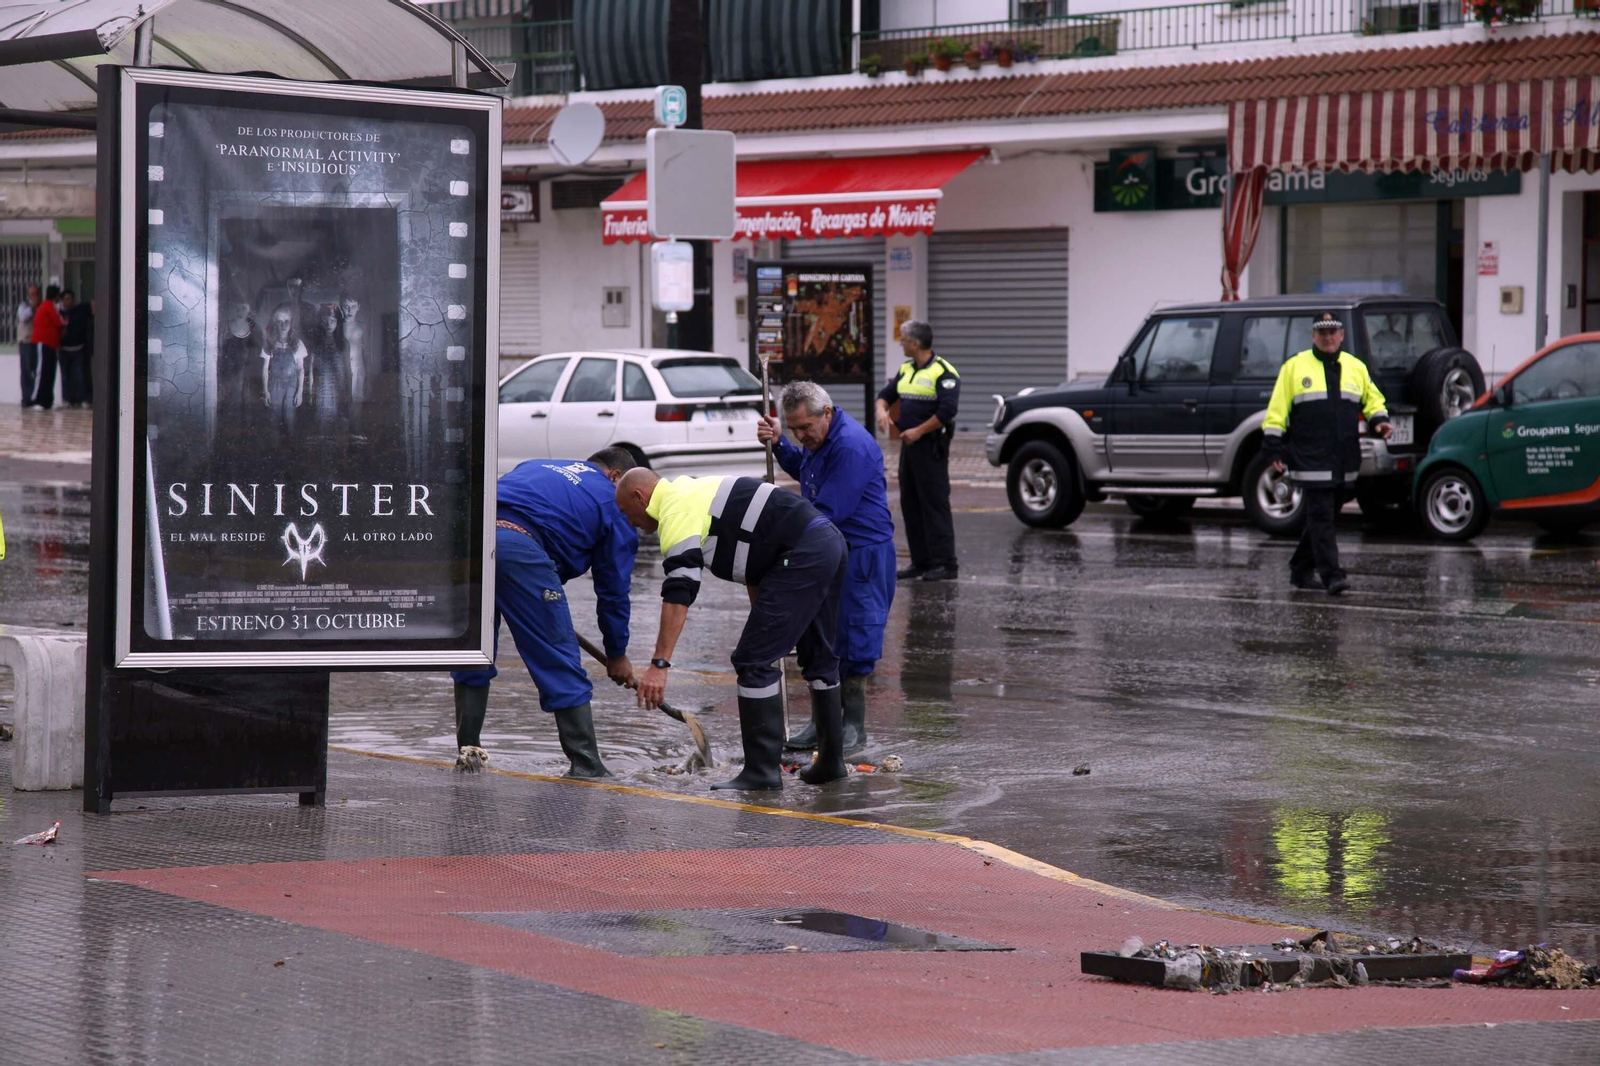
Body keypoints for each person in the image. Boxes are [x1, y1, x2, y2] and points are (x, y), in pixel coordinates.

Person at [615, 467, 848, 791]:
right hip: (827, 542)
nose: (631, 523)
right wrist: (769, 624)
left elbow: (680, 590)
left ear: (640, 497)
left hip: (804, 552)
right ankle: (831, 764)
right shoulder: (693, 490)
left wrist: (659, 665)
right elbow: (758, 561)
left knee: (753, 661)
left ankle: (761, 772)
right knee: (819, 657)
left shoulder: (674, 508)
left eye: (627, 512)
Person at [449, 447, 639, 777]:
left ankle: (469, 755)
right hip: (518, 546)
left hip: (467, 541)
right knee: (558, 658)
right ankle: (587, 764)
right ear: (617, 477)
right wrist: (617, 653)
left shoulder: (537, 464)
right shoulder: (615, 499)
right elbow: (613, 590)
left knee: (474, 653)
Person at [757, 381, 894, 756]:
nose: (802, 436)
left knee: (854, 636)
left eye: (805, 428)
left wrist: (780, 538)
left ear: (827, 414)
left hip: (860, 552)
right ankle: (823, 721)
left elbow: (831, 509)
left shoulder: (850, 445)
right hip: (828, 546)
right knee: (822, 634)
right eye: (794, 428)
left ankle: (853, 727)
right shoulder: (818, 441)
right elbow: (806, 471)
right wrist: (781, 443)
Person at [1262, 310, 1392, 596]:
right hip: (1310, 457)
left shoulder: (1355, 367)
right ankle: (1332, 575)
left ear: (1342, 335)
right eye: (1322, 332)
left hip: (1344, 457)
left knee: (1325, 517)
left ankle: (1299, 568)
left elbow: (1373, 399)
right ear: (1313, 336)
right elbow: (1276, 412)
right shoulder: (1294, 367)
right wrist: (1272, 447)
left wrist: (1380, 421)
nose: (1328, 337)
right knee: (1321, 516)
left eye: (1333, 332)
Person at [876, 319, 960, 581]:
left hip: (930, 447)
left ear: (915, 343)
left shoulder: (943, 372)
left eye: (902, 339)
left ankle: (946, 564)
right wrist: (881, 411)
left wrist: (919, 431)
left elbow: (947, 411)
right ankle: (921, 562)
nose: (899, 343)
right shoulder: (906, 368)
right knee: (910, 503)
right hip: (909, 448)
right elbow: (886, 395)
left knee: (934, 504)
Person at [260, 303, 307, 442]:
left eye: (286, 321)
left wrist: (299, 392)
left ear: (291, 323)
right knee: (274, 416)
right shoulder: (270, 343)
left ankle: (291, 448)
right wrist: (266, 391)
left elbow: (300, 369)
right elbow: (264, 368)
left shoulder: (297, 343)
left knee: (290, 416)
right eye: (279, 322)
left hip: (291, 387)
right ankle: (274, 448)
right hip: (274, 385)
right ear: (275, 324)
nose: (283, 325)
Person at [26, 284, 63, 411]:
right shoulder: (47, 305)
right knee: (41, 372)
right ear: (56, 295)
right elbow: (58, 322)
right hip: (43, 344)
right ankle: (36, 400)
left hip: (51, 345)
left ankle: (47, 401)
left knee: (50, 373)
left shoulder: (50, 306)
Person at [58, 289, 93, 408]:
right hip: (64, 349)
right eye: (66, 299)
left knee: (81, 375)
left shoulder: (81, 310)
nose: (68, 301)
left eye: (70, 298)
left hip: (79, 348)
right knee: (66, 376)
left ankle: (84, 399)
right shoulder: (59, 314)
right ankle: (68, 399)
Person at [16, 285, 35, 408]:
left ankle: (36, 397)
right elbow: (22, 317)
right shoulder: (24, 306)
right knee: (26, 370)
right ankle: (27, 398)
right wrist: (32, 308)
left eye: (36, 294)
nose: (34, 296)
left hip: (36, 342)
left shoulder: (41, 306)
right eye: (31, 294)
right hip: (26, 342)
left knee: (36, 370)